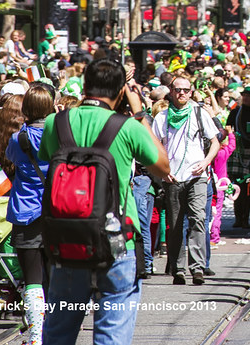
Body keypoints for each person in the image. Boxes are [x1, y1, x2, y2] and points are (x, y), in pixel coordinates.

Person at [39, 59, 170, 345]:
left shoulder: (56, 122)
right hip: (117, 243)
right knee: (112, 335)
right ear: (121, 92)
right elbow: (162, 167)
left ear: (84, 86)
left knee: (58, 333)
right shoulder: (127, 127)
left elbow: (47, 156)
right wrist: (140, 114)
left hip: (66, 241)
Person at [152, 74, 220, 285]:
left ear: (191, 92)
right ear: (171, 92)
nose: (182, 93)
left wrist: (206, 161)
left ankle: (197, 268)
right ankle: (178, 268)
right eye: (178, 90)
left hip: (197, 177)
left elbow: (215, 142)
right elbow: (153, 147)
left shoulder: (200, 113)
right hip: (172, 179)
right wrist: (163, 171)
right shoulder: (161, 118)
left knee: (198, 218)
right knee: (175, 224)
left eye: (186, 90)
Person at [4, 83, 54, 345]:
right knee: (56, 279)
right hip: (57, 213)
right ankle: (57, 334)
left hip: (26, 212)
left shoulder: (18, 139)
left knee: (32, 280)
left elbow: (10, 158)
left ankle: (36, 337)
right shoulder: (60, 136)